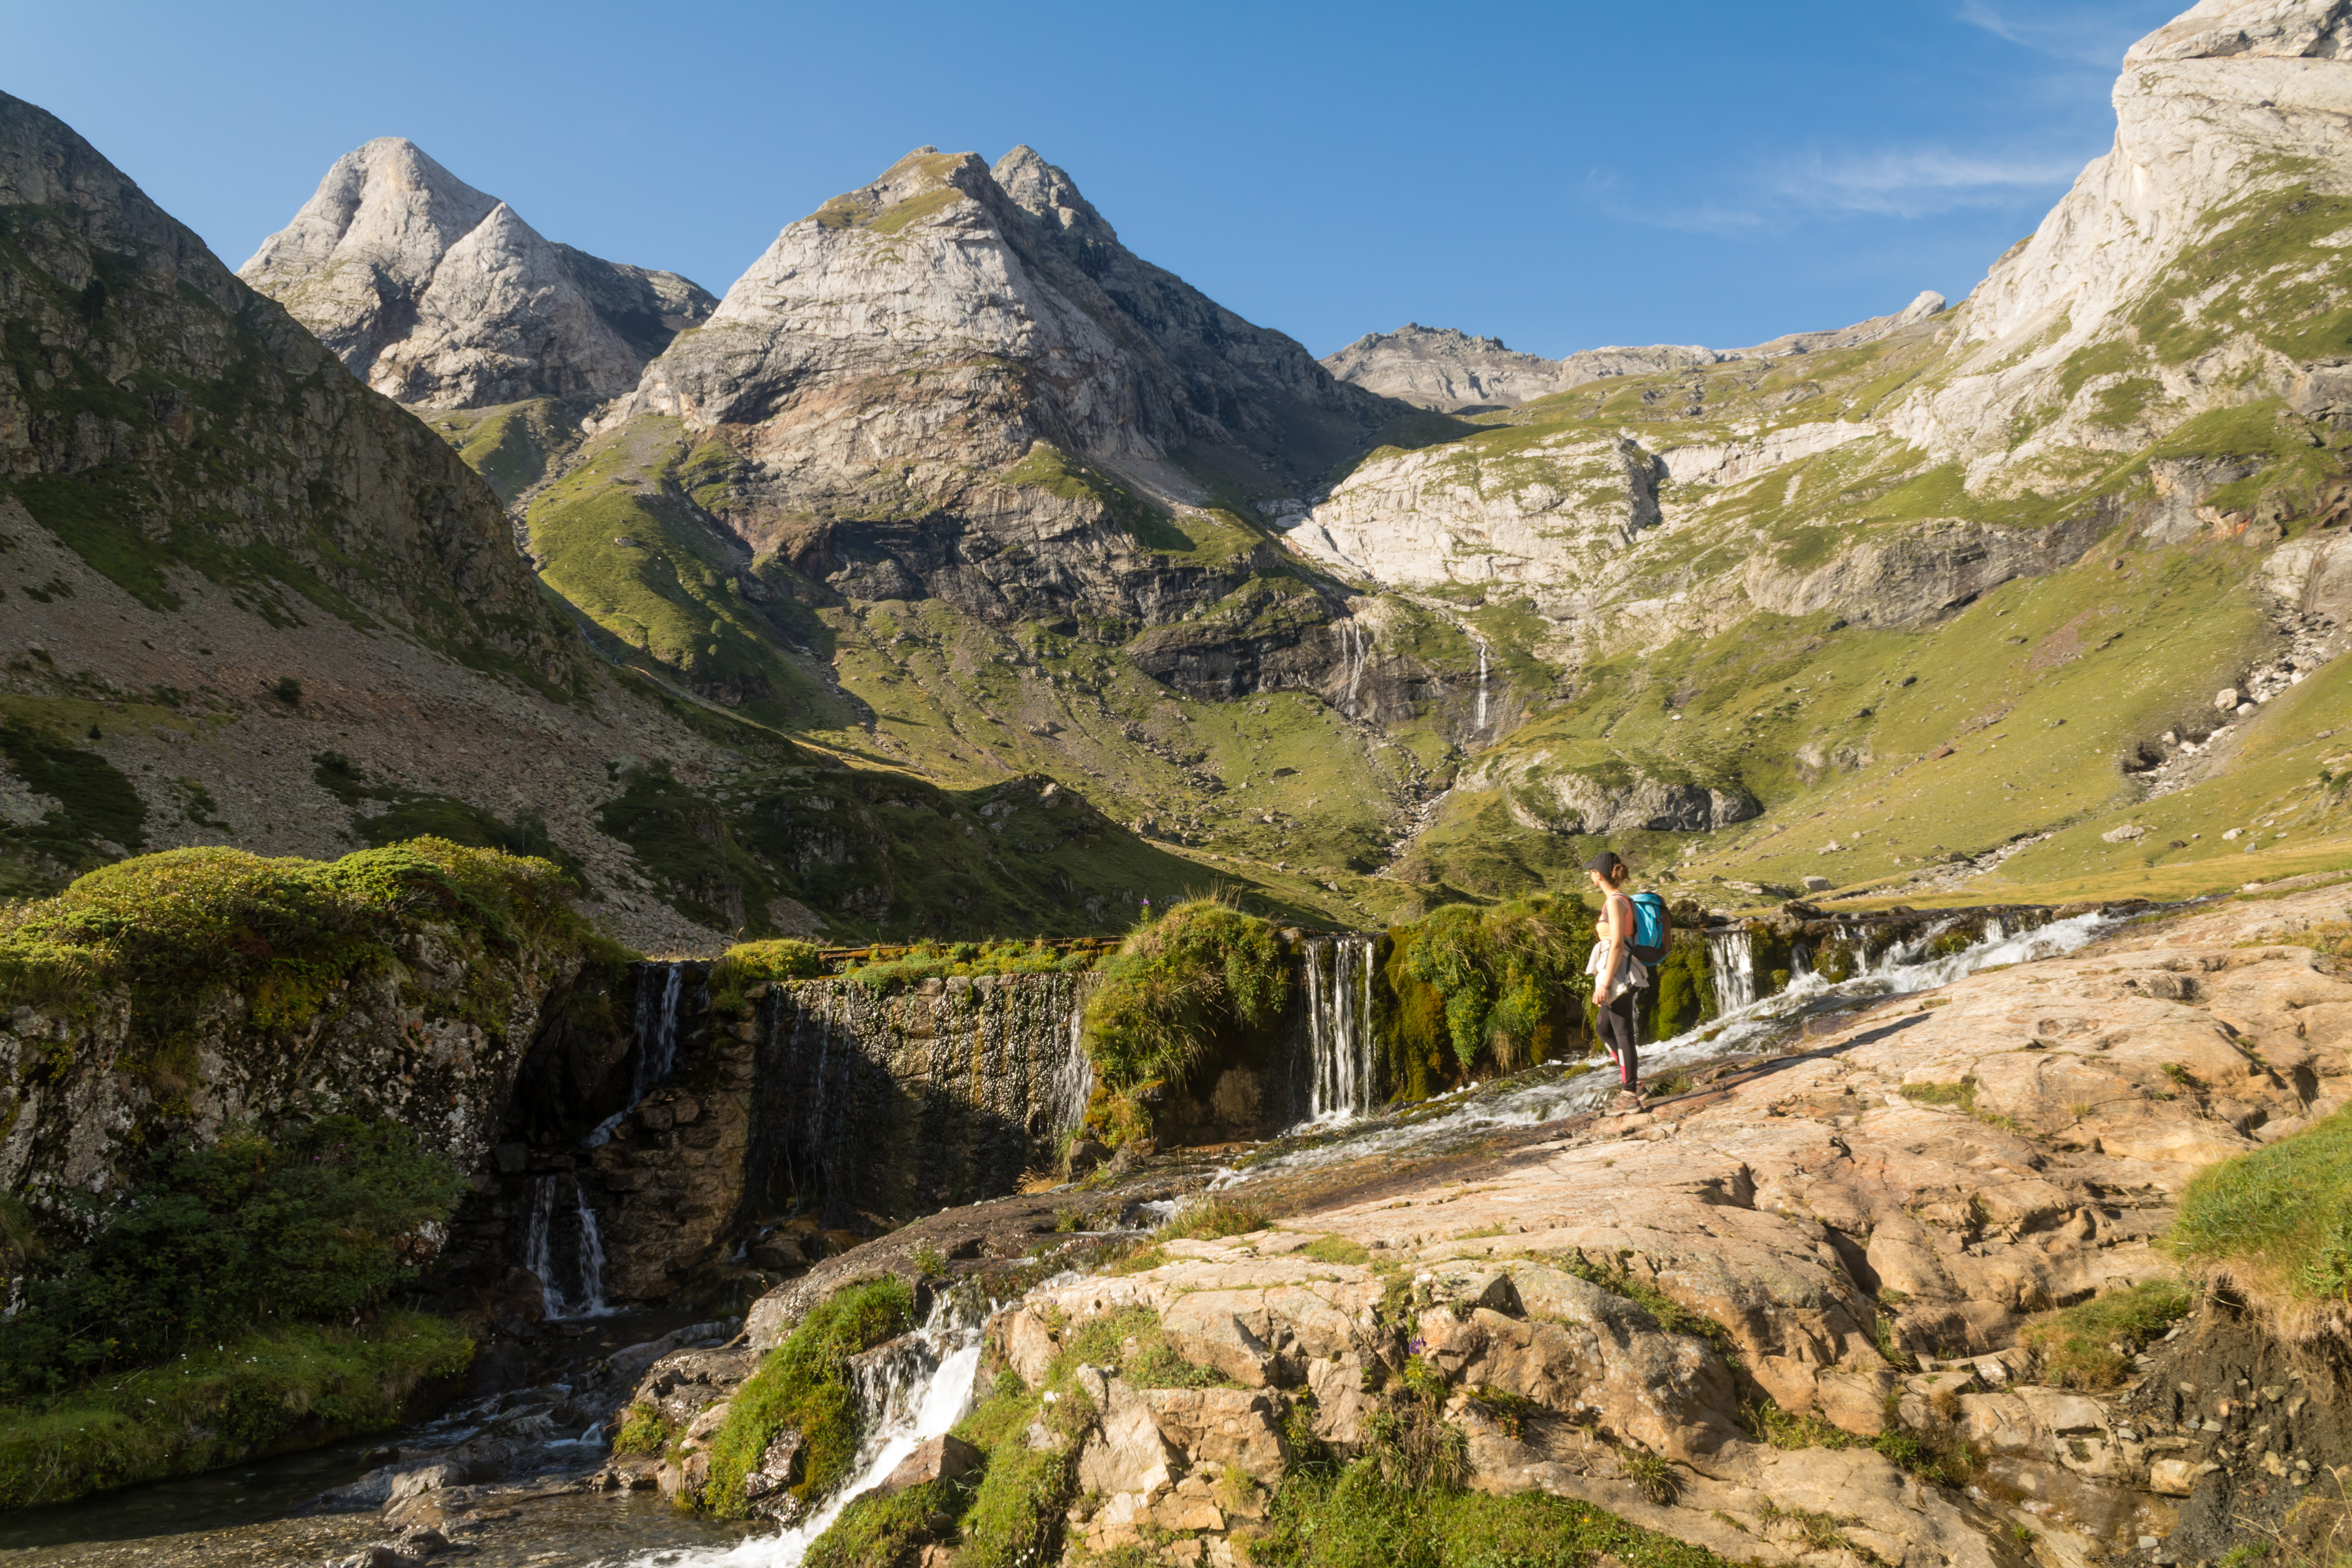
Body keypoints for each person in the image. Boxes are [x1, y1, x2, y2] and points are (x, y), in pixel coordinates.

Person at [1583, 850, 1645, 1113]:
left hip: (1619, 974)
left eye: (1591, 871)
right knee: (1604, 1029)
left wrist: (1604, 983)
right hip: (1618, 970)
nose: (1589, 875)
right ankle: (1634, 1084)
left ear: (1598, 875)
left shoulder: (1615, 903)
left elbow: (1618, 943)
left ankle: (1630, 1093)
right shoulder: (1619, 900)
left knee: (1622, 1033)